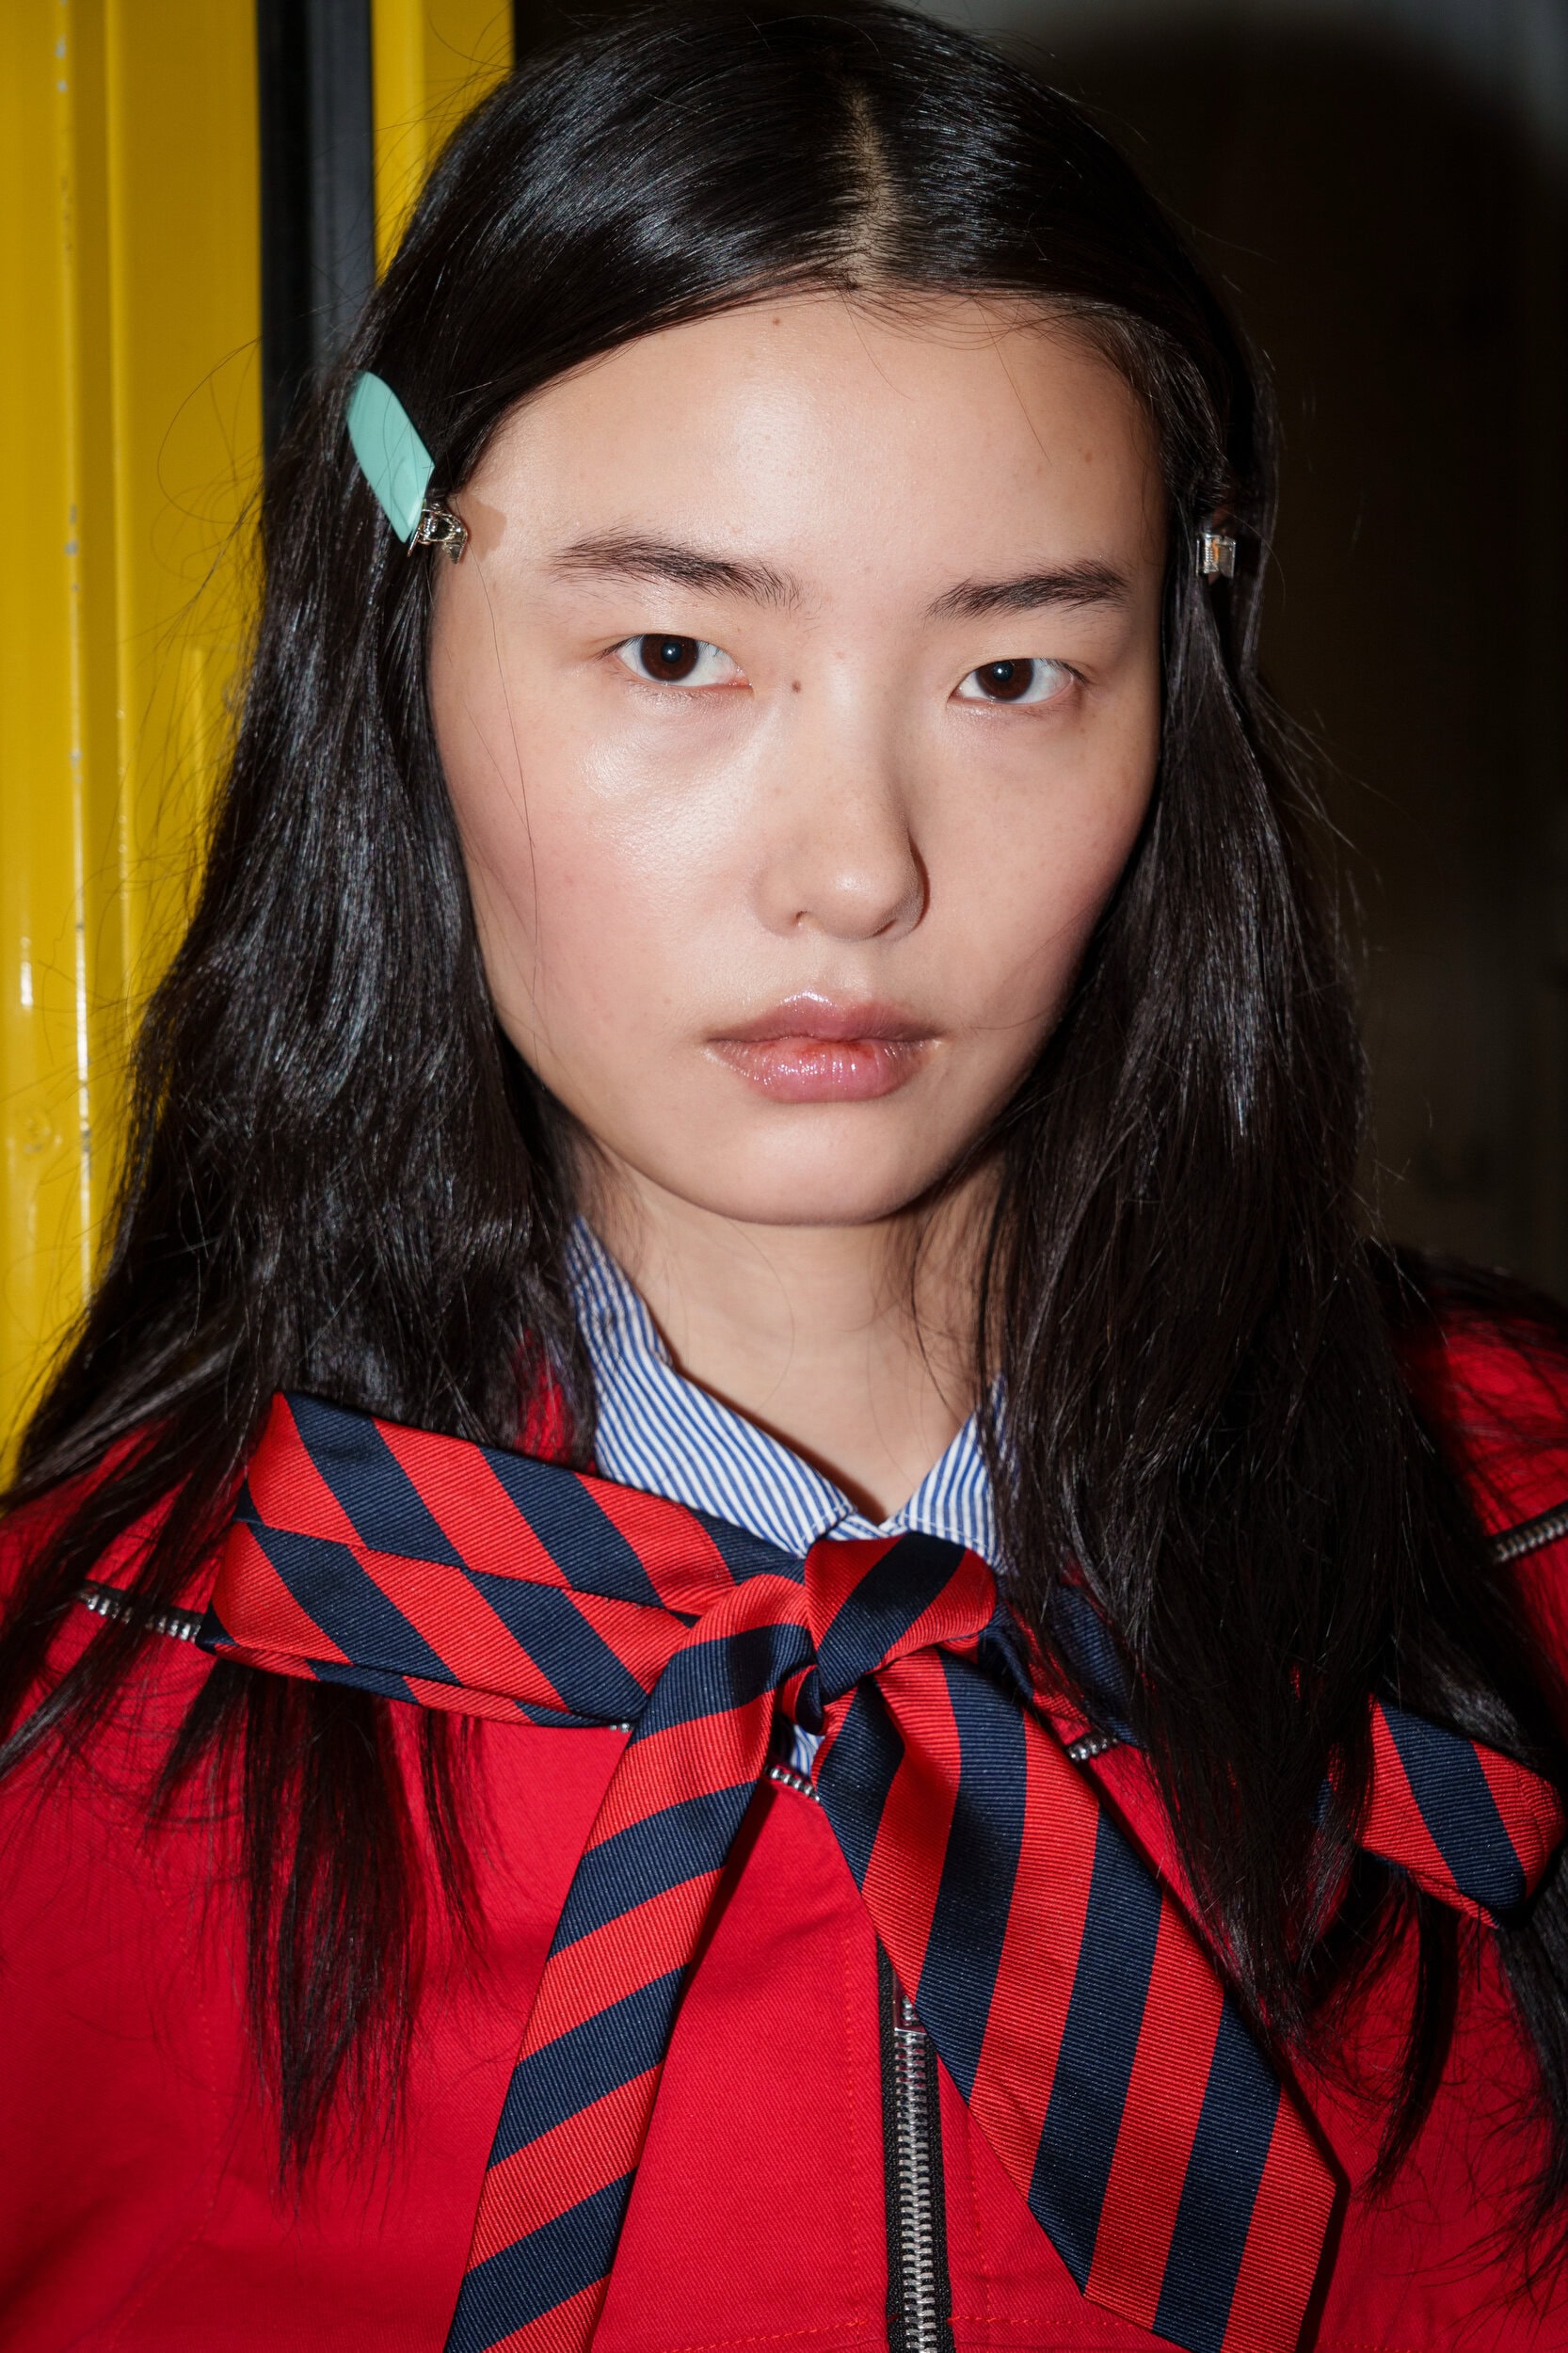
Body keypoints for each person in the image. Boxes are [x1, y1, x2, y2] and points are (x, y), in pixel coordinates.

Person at [4, 6, 1568, 2348]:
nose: (854, 871)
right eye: (673, 650)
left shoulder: (1522, 1535)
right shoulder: (78, 1723)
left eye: (1012, 674)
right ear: (402, 640)